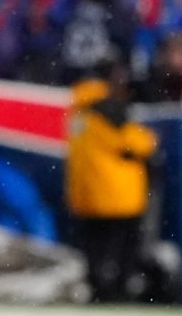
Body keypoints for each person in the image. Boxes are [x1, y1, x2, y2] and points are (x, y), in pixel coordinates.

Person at [66, 64, 158, 303]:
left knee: (94, 248)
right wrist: (148, 138)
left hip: (87, 194)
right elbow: (138, 143)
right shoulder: (107, 108)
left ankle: (98, 290)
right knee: (123, 250)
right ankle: (117, 292)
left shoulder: (78, 108)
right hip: (117, 195)